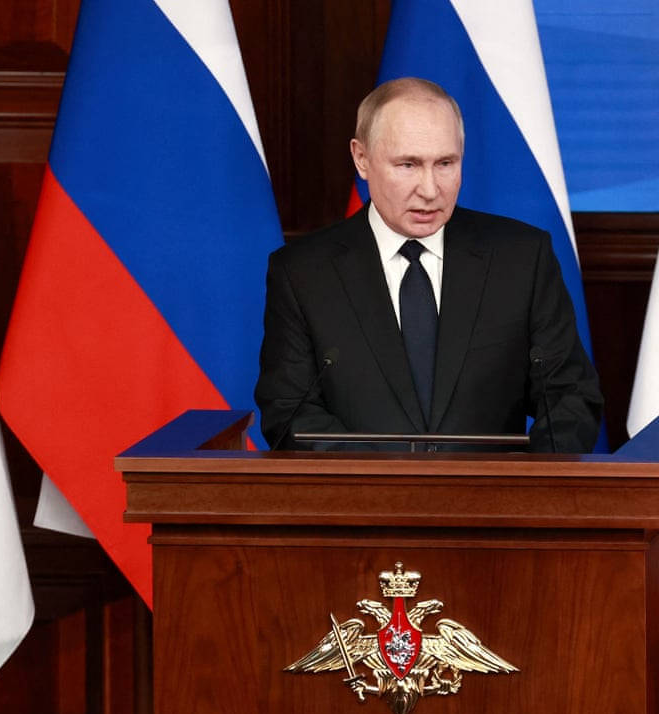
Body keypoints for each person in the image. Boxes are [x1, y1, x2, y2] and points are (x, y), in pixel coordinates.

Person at [254, 77, 602, 452]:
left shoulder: (521, 258)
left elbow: (570, 398)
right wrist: (395, 491)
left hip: (494, 503)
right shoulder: (304, 273)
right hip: (362, 503)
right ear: (361, 159)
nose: (430, 189)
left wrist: (524, 487)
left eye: (445, 163)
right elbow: (289, 412)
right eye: (408, 164)